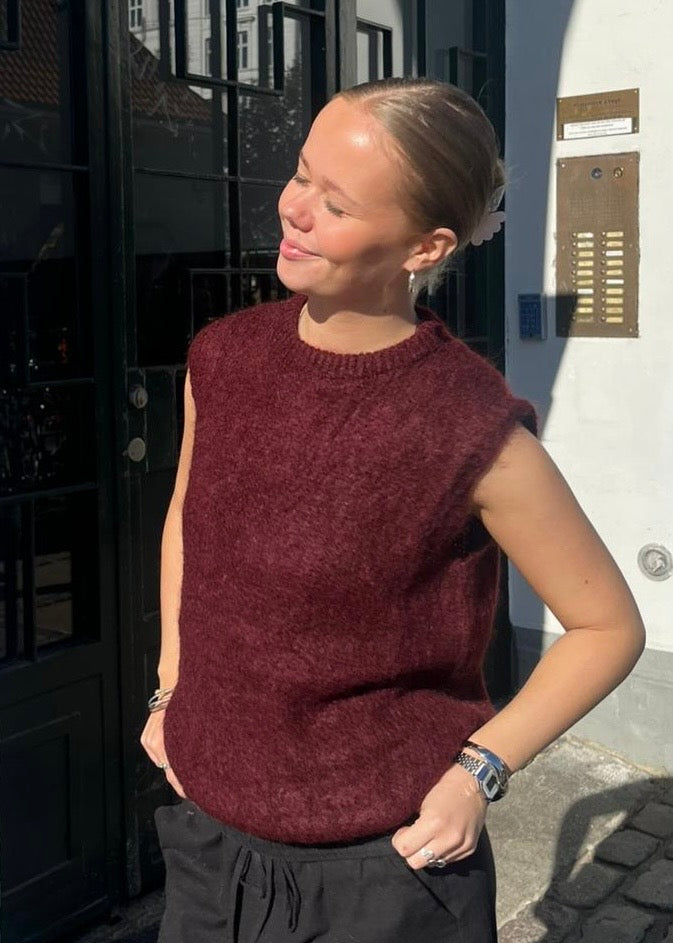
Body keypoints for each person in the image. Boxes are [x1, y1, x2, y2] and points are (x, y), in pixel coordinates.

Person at [140, 77, 645, 943]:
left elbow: (607, 627)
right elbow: (191, 519)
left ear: (424, 245)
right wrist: (170, 686)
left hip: (384, 872)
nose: (293, 208)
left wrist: (477, 771)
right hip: (209, 839)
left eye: (333, 201)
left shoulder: (468, 427)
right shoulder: (223, 358)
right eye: (301, 174)